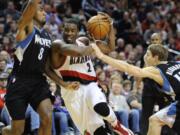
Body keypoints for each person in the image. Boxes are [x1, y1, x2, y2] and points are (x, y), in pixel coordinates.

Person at [2, 0, 79, 135]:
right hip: (19, 81)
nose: (45, 12)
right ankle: (5, 131)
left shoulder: (47, 36)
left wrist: (63, 84)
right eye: (40, 9)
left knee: (47, 116)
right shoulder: (26, 29)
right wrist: (33, 3)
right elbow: (26, 15)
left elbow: (47, 68)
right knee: (17, 130)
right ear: (31, 12)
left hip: (38, 81)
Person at [50, 14, 134, 135]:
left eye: (73, 30)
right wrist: (95, 45)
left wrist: (110, 27)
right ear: (62, 29)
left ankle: (117, 125)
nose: (69, 33)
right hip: (72, 92)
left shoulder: (83, 41)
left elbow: (110, 47)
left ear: (78, 32)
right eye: (66, 30)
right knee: (95, 131)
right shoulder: (58, 45)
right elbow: (79, 52)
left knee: (99, 106)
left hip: (91, 85)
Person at [91, 43, 180, 135]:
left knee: (155, 121)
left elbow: (128, 67)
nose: (145, 57)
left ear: (156, 58)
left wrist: (101, 56)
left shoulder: (157, 70)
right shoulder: (177, 63)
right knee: (154, 120)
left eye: (148, 54)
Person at [141, 32, 173, 135]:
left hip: (162, 87)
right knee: (146, 113)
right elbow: (140, 72)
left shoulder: (166, 54)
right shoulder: (146, 55)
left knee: (164, 112)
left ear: (161, 41)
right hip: (148, 86)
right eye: (153, 40)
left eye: (156, 39)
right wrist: (147, 62)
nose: (155, 42)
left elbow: (170, 71)